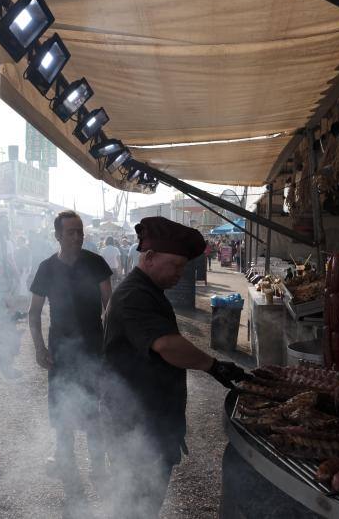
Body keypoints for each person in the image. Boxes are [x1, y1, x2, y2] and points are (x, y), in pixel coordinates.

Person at [101, 216, 248, 518]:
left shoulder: (149, 290)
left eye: (184, 266)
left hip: (150, 418)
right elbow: (167, 345)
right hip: (134, 422)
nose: (181, 274)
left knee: (144, 502)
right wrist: (213, 367)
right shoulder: (133, 295)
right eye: (176, 266)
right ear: (150, 257)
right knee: (134, 503)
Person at [28, 211, 113, 485]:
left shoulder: (96, 263)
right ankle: (64, 457)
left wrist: (110, 345)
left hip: (93, 348)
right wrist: (39, 349)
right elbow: (34, 312)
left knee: (93, 408)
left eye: (80, 231)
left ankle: (98, 465)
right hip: (60, 350)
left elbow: (109, 306)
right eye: (71, 232)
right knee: (62, 407)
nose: (78, 237)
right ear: (58, 236)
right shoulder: (46, 268)